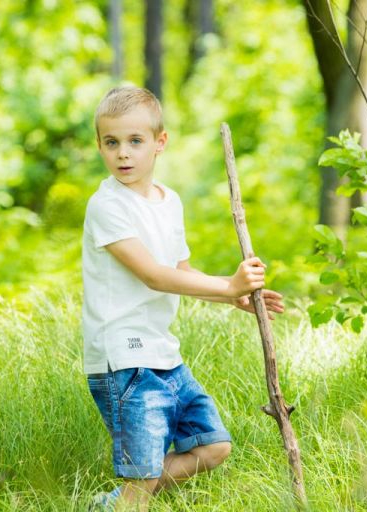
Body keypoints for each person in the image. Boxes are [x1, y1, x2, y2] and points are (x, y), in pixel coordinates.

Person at [82, 85, 284, 511]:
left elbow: (181, 272)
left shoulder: (168, 202)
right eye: (111, 142)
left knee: (213, 447)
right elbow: (154, 276)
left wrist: (233, 296)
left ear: (160, 143)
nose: (123, 154)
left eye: (135, 141)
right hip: (123, 360)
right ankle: (128, 500)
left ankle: (112, 503)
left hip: (164, 354)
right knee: (145, 473)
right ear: (99, 145)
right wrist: (229, 285)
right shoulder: (106, 206)